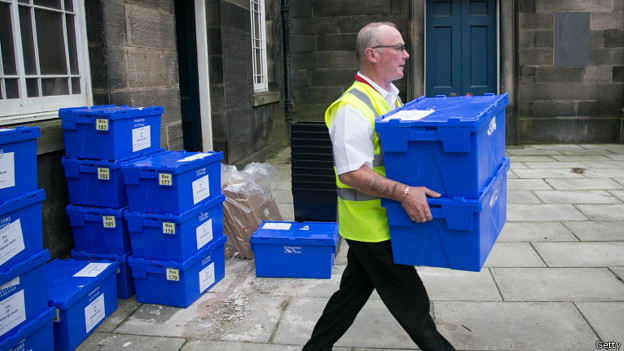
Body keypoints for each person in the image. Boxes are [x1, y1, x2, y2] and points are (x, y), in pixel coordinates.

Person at [301, 22, 456, 351]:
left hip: (382, 221)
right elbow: (351, 174)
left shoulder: (390, 99)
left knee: (351, 294)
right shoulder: (352, 108)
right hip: (371, 228)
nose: (406, 54)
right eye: (398, 47)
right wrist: (404, 193)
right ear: (372, 54)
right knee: (413, 306)